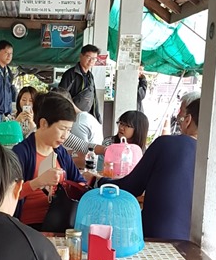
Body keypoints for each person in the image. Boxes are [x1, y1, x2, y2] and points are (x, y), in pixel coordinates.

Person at [92, 97, 200, 240]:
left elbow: (132, 186)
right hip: (198, 244)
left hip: (158, 235)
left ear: (188, 120)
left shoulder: (165, 144)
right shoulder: (215, 157)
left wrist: (97, 181)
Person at [12, 93, 86, 230]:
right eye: (62, 129)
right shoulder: (21, 153)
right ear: (43, 123)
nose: (65, 136)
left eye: (69, 130)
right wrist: (38, 182)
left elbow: (79, 181)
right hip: (28, 228)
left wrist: (69, 186)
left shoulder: (60, 152)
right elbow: (7, 194)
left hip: (61, 224)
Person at [59, 44, 102, 122]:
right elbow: (61, 95)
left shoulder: (90, 76)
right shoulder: (71, 74)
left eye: (94, 58)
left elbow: (94, 98)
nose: (91, 61)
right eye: (88, 57)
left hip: (86, 118)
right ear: (81, 56)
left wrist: (97, 118)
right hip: (71, 117)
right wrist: (77, 111)